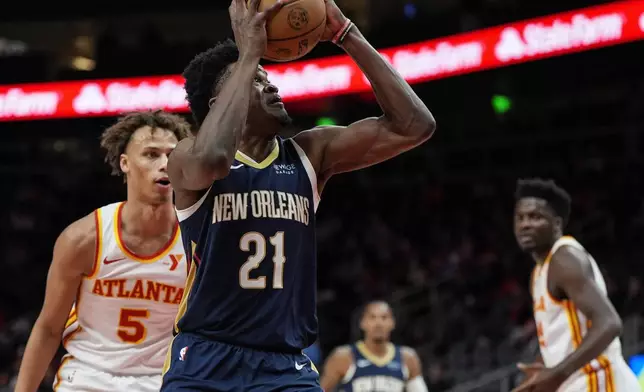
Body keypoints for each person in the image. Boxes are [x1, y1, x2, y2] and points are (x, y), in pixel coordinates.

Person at [160, 0, 436, 389]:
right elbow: (213, 161)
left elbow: (414, 126)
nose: (271, 83)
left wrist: (346, 34)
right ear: (219, 103)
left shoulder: (309, 153)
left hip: (284, 365)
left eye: (265, 76)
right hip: (206, 358)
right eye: (256, 80)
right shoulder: (185, 156)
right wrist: (248, 54)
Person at [14, 110, 192, 392]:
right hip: (87, 378)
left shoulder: (197, 239)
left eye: (172, 155)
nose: (164, 164)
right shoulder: (84, 238)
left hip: (162, 381)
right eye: (151, 154)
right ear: (125, 163)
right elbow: (49, 328)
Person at [512, 178, 640, 392]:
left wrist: (556, 374)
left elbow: (609, 323)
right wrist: (545, 368)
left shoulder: (565, 258)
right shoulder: (539, 272)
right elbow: (568, 338)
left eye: (535, 217)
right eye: (520, 217)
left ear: (557, 224)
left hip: (600, 384)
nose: (525, 224)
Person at [320, 301, 427, 392]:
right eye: (372, 317)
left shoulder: (407, 358)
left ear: (392, 323)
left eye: (384, 318)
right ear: (362, 323)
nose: (378, 323)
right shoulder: (343, 357)